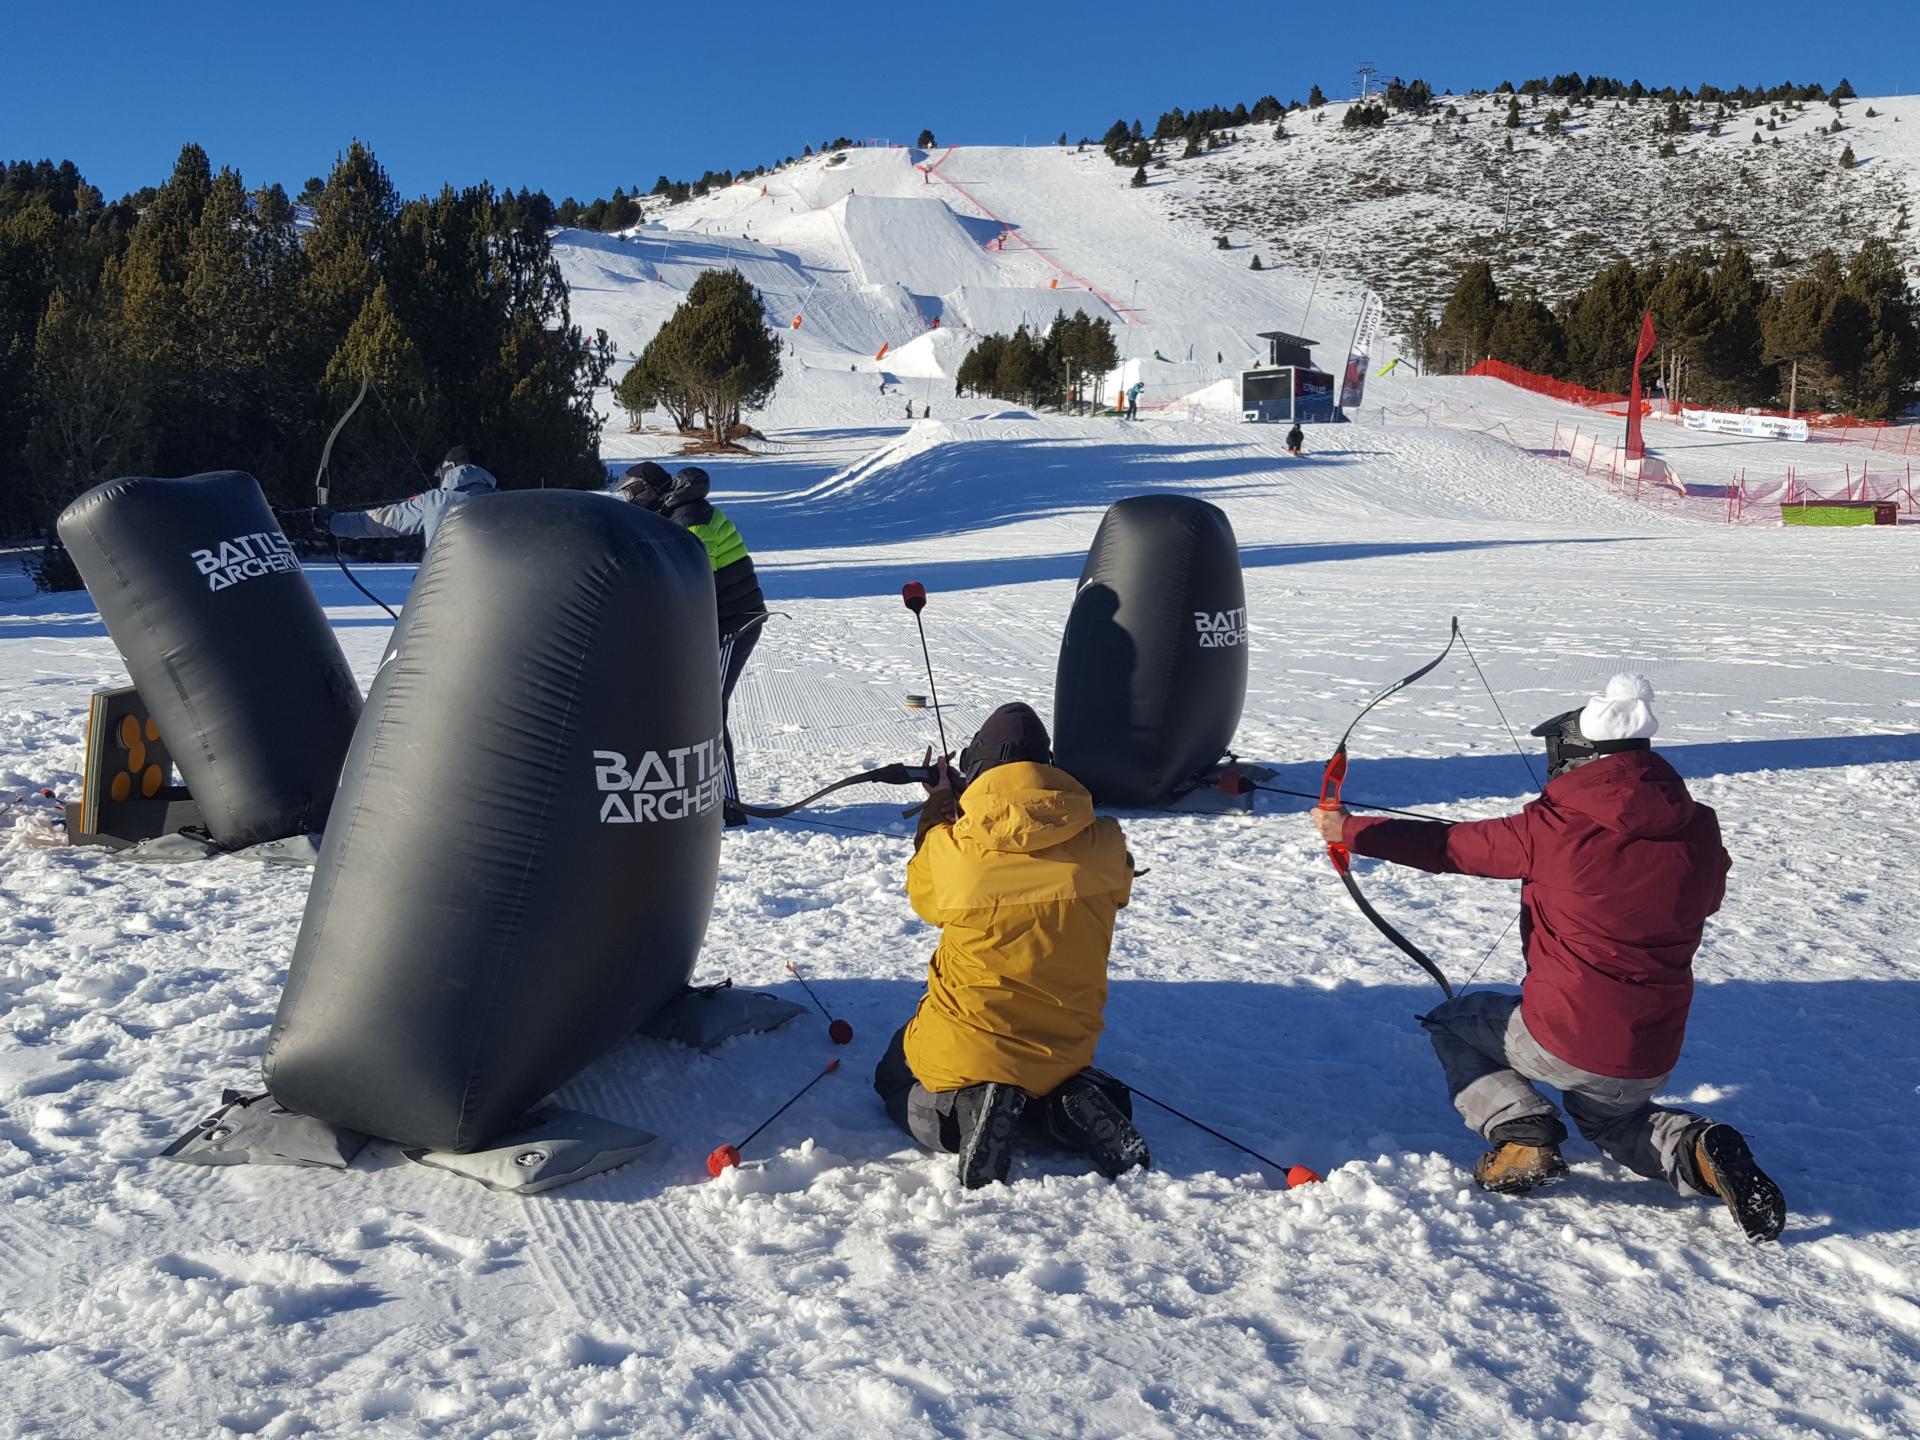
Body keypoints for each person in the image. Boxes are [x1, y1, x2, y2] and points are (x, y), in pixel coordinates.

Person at [1310, 674, 1786, 1243]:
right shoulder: (1697, 826)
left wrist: (1350, 830)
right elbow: (1708, 895)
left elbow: (1447, 848)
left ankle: (1521, 1136)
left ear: (1575, 757)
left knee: (1455, 1024)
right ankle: (1702, 1150)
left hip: (1563, 1033)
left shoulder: (1555, 828)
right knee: (1616, 1123)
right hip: (1654, 1042)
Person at [873, 703, 1149, 1189]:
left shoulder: (953, 849)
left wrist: (941, 811)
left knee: (895, 1078)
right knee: (1056, 1085)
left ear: (974, 770)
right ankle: (1064, 1112)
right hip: (1064, 1050)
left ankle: (963, 1111)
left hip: (965, 1046)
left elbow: (923, 895)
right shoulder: (1106, 842)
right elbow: (1118, 884)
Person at [616, 463, 765, 828]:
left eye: (631, 492)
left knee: (710, 710)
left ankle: (728, 804)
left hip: (734, 624)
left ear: (649, 490)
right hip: (716, 622)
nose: (628, 500)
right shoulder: (673, 514)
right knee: (695, 706)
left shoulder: (689, 519)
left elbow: (691, 584)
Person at [298, 445, 498, 551]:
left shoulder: (434, 501)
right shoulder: (508, 501)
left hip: (440, 597)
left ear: (449, 469)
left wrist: (331, 522)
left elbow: (381, 521)